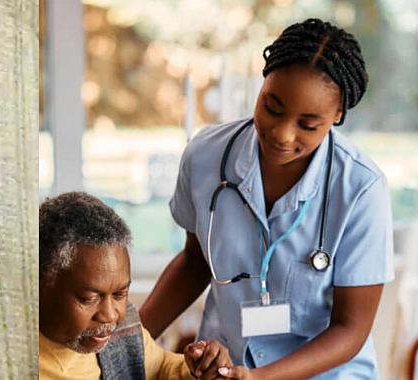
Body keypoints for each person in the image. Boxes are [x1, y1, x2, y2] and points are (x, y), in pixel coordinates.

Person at [138, 18, 394, 379]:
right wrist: (129, 339)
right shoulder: (206, 156)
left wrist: (259, 378)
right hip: (223, 367)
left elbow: (350, 330)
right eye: (272, 107)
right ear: (263, 82)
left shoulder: (362, 189)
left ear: (337, 115)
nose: (281, 134)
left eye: (308, 125)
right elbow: (196, 261)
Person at [38, 192, 243, 380]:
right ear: (40, 284)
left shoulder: (122, 330)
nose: (110, 315)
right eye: (89, 299)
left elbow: (160, 366)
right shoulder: (12, 357)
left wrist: (198, 367)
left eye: (120, 294)